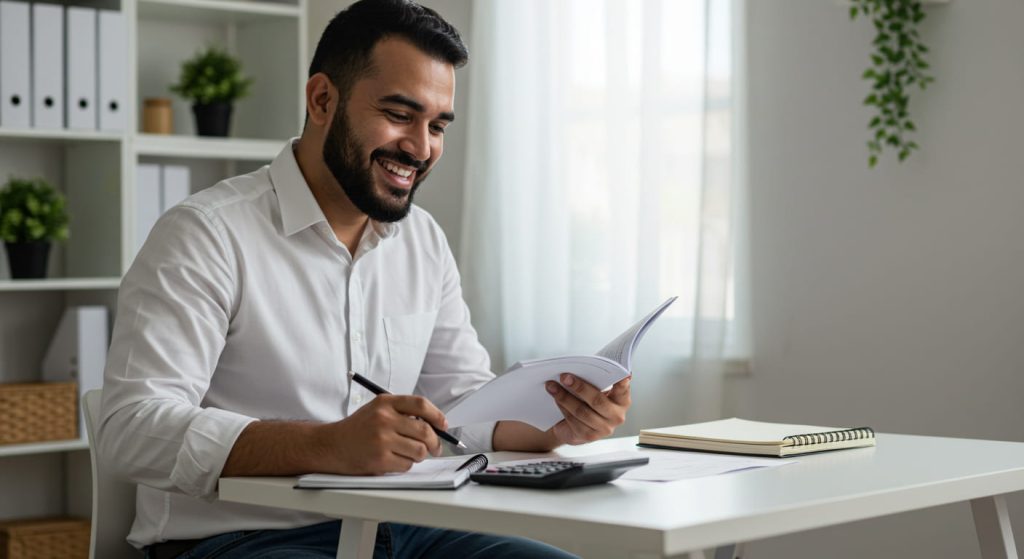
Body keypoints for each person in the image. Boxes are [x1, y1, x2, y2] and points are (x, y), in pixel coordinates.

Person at [99, 1, 632, 557]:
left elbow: (461, 410)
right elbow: (132, 431)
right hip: (239, 540)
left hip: (402, 527)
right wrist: (328, 445)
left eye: (437, 125)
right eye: (400, 115)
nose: (421, 148)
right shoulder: (205, 234)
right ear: (323, 99)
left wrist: (557, 427)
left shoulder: (422, 241)